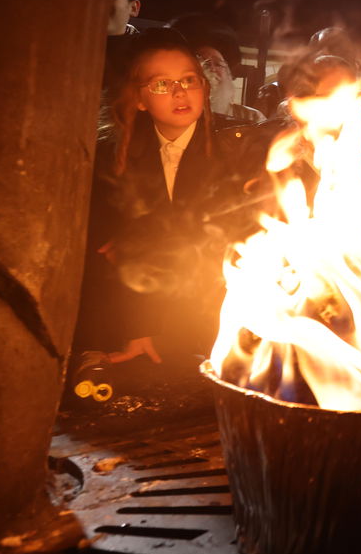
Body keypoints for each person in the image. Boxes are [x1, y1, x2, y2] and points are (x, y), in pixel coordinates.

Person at [74, 29, 252, 375]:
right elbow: (110, 249)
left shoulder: (236, 147)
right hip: (138, 317)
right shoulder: (113, 156)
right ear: (138, 99)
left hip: (216, 317)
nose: (179, 92)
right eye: (161, 84)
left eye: (189, 80)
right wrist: (138, 327)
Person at [169, 12, 265, 126]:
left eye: (218, 64)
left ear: (228, 73)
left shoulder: (251, 118)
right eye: (206, 64)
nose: (212, 69)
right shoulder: (177, 115)